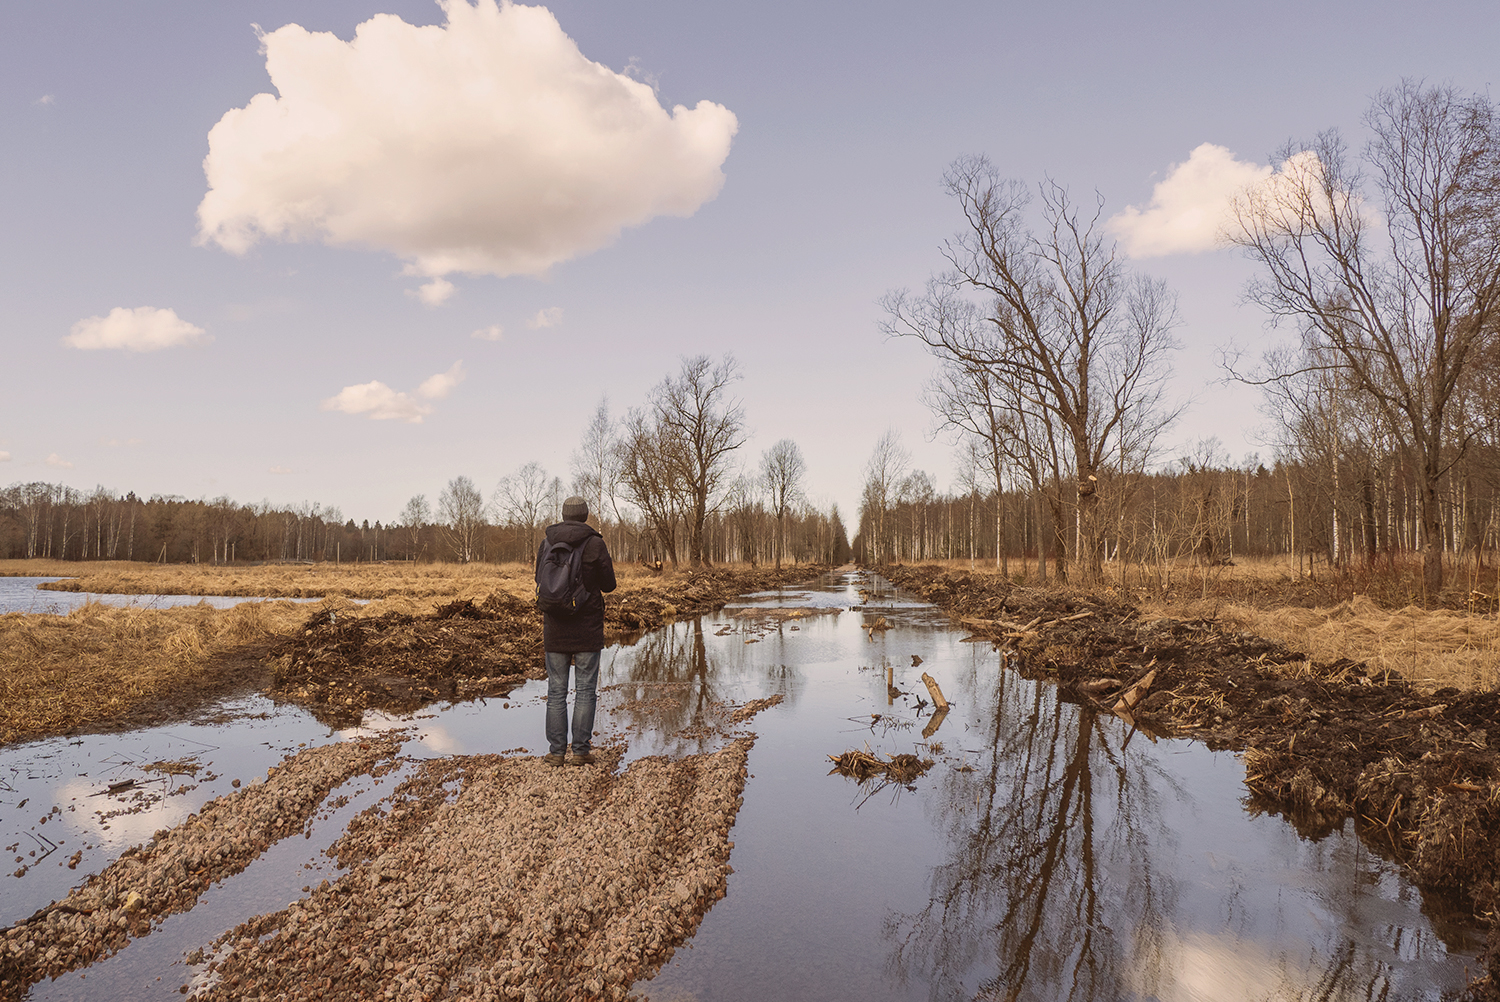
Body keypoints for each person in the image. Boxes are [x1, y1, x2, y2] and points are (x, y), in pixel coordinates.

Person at [536, 496, 616, 767]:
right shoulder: (595, 543)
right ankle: (580, 752)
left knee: (556, 691)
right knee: (585, 690)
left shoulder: (546, 543)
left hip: (555, 627)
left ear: (563, 514)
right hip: (587, 628)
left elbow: (540, 580)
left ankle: (556, 752)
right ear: (585, 515)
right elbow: (609, 585)